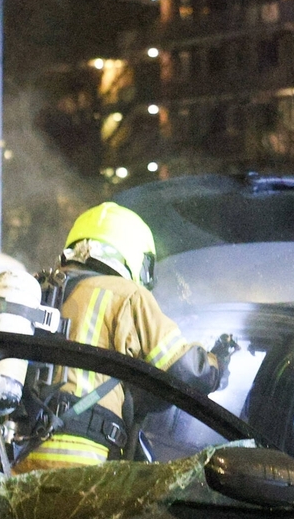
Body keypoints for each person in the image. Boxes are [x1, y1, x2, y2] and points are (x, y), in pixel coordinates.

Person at [14, 202, 230, 472]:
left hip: (19, 455)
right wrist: (217, 364)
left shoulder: (36, 288)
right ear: (134, 255)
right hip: (81, 464)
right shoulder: (127, 295)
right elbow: (185, 371)